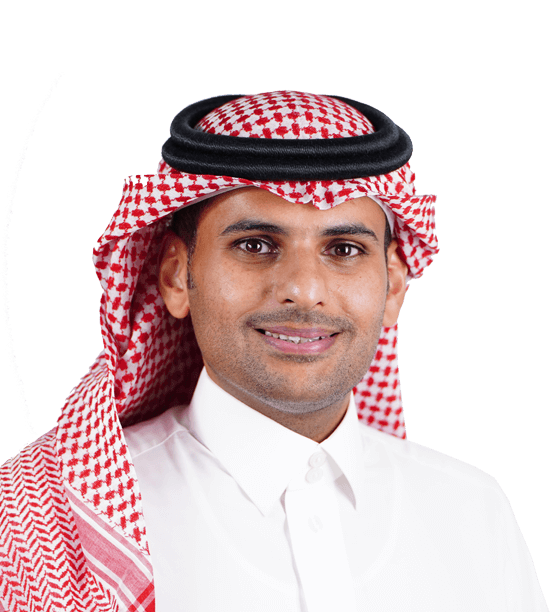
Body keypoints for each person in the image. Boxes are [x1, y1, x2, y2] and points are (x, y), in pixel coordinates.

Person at [0, 91, 547, 611]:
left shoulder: (472, 510)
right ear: (175, 277)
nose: (304, 290)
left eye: (344, 249)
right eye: (255, 245)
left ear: (393, 287)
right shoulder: (43, 520)